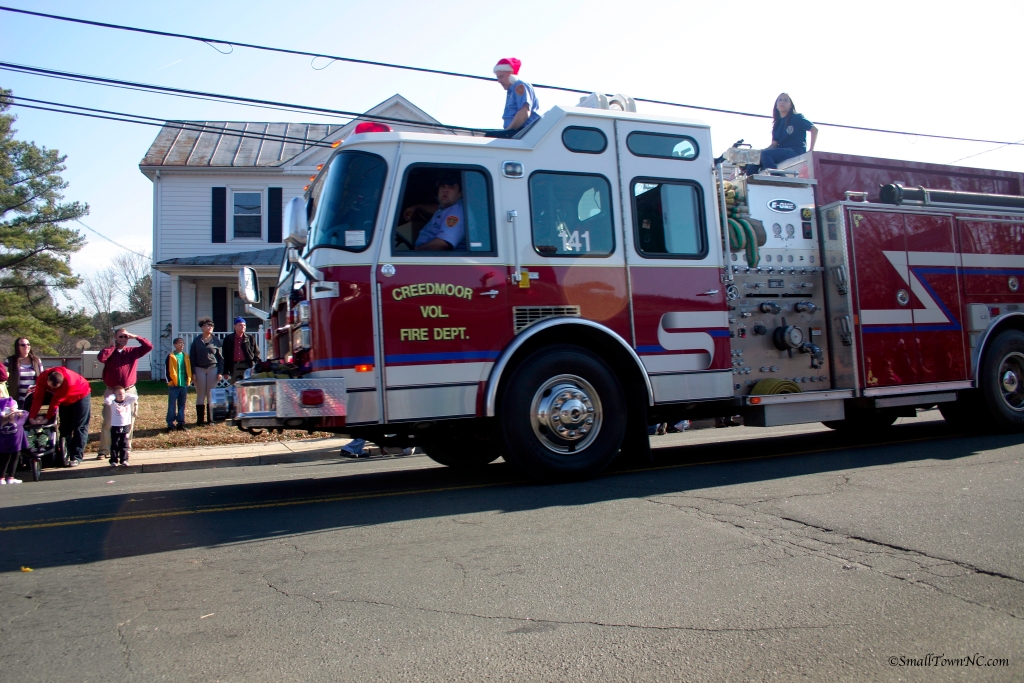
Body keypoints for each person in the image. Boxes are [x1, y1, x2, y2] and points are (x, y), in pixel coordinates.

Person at [96, 328, 153, 461]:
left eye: (126, 337)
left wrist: (135, 336)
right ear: (115, 337)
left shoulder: (133, 351)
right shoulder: (110, 352)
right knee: (109, 421)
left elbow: (148, 346)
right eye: (121, 336)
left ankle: (126, 449)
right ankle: (104, 450)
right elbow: (101, 358)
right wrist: (112, 346)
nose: (124, 339)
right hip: (112, 391)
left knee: (129, 420)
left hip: (129, 391)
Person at [28, 367, 92, 467]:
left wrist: (47, 418)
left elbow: (56, 401)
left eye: (56, 388)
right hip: (65, 401)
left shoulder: (68, 382)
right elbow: (38, 397)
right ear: (48, 379)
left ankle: (76, 456)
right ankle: (63, 454)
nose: (53, 390)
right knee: (65, 427)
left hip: (80, 394)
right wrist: (32, 416)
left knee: (79, 426)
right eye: (51, 387)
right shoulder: (42, 378)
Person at [746, 93, 817, 175]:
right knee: (754, 161)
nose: (782, 102)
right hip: (780, 152)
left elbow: (814, 129)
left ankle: (778, 179)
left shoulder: (797, 118)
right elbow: (774, 145)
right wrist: (758, 153)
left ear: (791, 105)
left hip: (795, 151)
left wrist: (811, 150)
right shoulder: (777, 124)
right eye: (780, 100)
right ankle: (754, 185)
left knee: (765, 155)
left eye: (786, 100)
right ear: (776, 105)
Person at [405, 175, 466, 251]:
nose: (445, 190)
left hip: (436, 258)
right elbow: (436, 208)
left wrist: (415, 251)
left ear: (461, 193)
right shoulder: (446, 208)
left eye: (451, 187)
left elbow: (442, 244)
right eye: (442, 186)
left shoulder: (458, 211)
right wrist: (417, 207)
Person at [190, 317, 224, 425]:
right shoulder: (196, 341)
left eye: (211, 326)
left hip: (212, 368)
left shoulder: (216, 341)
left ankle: (211, 419)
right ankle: (200, 420)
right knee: (200, 394)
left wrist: (220, 372)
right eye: (207, 325)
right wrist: (193, 372)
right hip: (199, 368)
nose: (210, 327)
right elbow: (192, 357)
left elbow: (221, 358)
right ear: (202, 327)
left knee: (211, 394)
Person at [494, 57, 540, 135]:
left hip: (524, 132)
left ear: (511, 75)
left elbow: (524, 112)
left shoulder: (519, 86)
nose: (499, 81)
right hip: (519, 132)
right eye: (498, 78)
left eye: (501, 77)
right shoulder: (511, 90)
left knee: (490, 136)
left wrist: (507, 132)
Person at [104, 385, 137, 467]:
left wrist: (124, 395)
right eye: (119, 394)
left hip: (125, 426)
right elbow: (107, 401)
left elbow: (135, 397)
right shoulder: (113, 403)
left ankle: (124, 460)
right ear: (115, 395)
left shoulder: (127, 401)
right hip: (115, 426)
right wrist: (113, 396)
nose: (122, 396)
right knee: (115, 444)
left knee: (124, 444)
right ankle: (113, 460)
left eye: (123, 394)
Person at [6, 338, 43, 409]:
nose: (26, 346)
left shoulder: (36, 360)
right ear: (17, 347)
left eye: (28, 344)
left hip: (33, 399)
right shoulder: (10, 361)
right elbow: (3, 378)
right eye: (23, 345)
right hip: (16, 401)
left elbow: (42, 378)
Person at [223, 317, 261, 384]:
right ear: (235, 326)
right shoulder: (228, 339)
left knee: (248, 385)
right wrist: (225, 371)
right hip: (234, 366)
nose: (243, 327)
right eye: (240, 325)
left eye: (244, 325)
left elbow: (256, 353)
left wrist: (255, 365)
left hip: (247, 365)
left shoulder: (250, 338)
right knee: (235, 386)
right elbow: (225, 356)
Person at [0, 395, 28, 485]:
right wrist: (15, 411)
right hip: (16, 444)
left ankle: (1, 478)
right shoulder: (19, 417)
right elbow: (26, 412)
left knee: (4, 461)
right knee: (14, 460)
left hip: (3, 444)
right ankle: (11, 478)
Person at [165, 337, 192, 431]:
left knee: (182, 404)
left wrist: (189, 379)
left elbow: (188, 368)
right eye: (179, 343)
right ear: (175, 345)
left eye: (183, 343)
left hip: (183, 384)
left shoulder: (186, 356)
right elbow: (167, 370)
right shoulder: (171, 356)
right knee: (172, 405)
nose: (182, 345)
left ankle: (181, 423)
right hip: (174, 384)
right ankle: (170, 424)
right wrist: (170, 381)